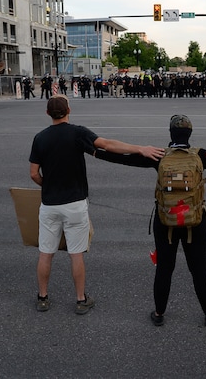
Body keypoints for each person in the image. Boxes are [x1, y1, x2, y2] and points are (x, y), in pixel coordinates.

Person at [94, 114, 206, 326]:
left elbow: (123, 159)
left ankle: (159, 314)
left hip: (165, 221)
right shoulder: (202, 155)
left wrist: (95, 152)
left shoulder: (159, 155)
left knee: (164, 268)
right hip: (195, 221)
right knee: (199, 269)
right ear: (190, 133)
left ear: (170, 133)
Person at [29, 95, 164, 314]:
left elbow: (34, 174)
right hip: (75, 203)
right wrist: (140, 148)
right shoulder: (77, 133)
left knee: (46, 252)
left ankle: (42, 297)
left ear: (47, 114)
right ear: (68, 110)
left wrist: (47, 185)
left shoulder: (40, 138)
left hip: (50, 204)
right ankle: (80, 299)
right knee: (76, 254)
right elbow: (108, 145)